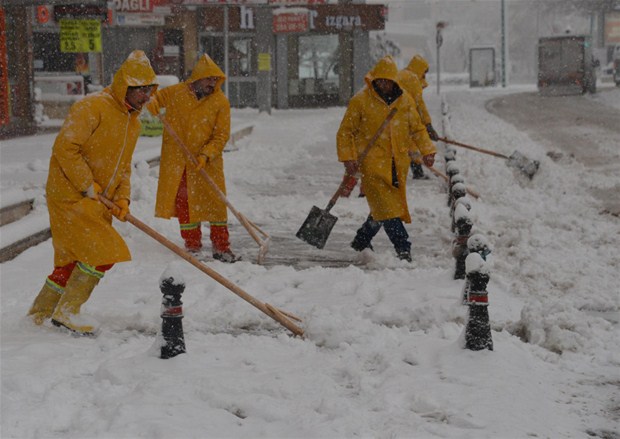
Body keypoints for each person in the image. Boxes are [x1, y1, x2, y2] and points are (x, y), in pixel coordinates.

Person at [27, 50, 158, 335]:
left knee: (74, 258)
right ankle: (68, 310)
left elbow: (123, 167)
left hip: (97, 199)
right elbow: (65, 148)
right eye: (142, 89)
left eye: (150, 89)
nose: (147, 96)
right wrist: (87, 183)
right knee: (102, 253)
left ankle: (40, 311)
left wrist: (123, 197)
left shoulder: (132, 122)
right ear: (126, 85)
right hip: (70, 195)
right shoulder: (92, 107)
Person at [337, 56, 436, 262]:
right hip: (372, 165)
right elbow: (345, 132)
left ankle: (362, 240)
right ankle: (403, 247)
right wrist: (348, 157)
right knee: (388, 207)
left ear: (394, 81)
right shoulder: (361, 101)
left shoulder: (405, 101)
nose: (383, 84)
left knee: (383, 207)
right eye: (380, 80)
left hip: (397, 164)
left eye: (387, 80)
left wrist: (427, 150)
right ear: (373, 80)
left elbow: (417, 128)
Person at [146, 54, 238, 263]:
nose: (212, 84)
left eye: (215, 80)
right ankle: (192, 246)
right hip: (179, 161)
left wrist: (206, 154)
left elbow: (221, 135)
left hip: (208, 163)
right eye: (208, 79)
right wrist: (151, 104)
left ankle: (222, 247)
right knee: (185, 205)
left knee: (215, 205)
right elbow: (155, 99)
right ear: (197, 78)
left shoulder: (220, 102)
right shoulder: (177, 93)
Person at [396, 54, 439, 180]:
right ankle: (417, 172)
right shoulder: (412, 78)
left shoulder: (403, 74)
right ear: (420, 69)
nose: (424, 76)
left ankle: (415, 171)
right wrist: (428, 125)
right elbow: (419, 105)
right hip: (402, 115)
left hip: (395, 114)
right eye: (424, 73)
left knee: (405, 144)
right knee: (413, 142)